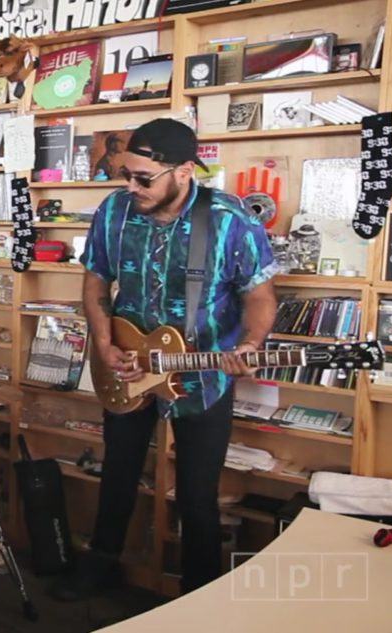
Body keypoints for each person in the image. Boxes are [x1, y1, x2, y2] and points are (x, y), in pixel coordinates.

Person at [55, 119, 278, 599]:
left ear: (183, 171)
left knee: (197, 496)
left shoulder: (229, 219)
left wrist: (250, 344)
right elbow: (96, 280)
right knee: (117, 475)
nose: (130, 187)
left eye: (143, 179)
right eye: (126, 175)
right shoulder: (114, 211)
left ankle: (200, 596)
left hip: (203, 374)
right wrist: (104, 344)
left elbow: (259, 296)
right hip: (128, 365)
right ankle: (100, 567)